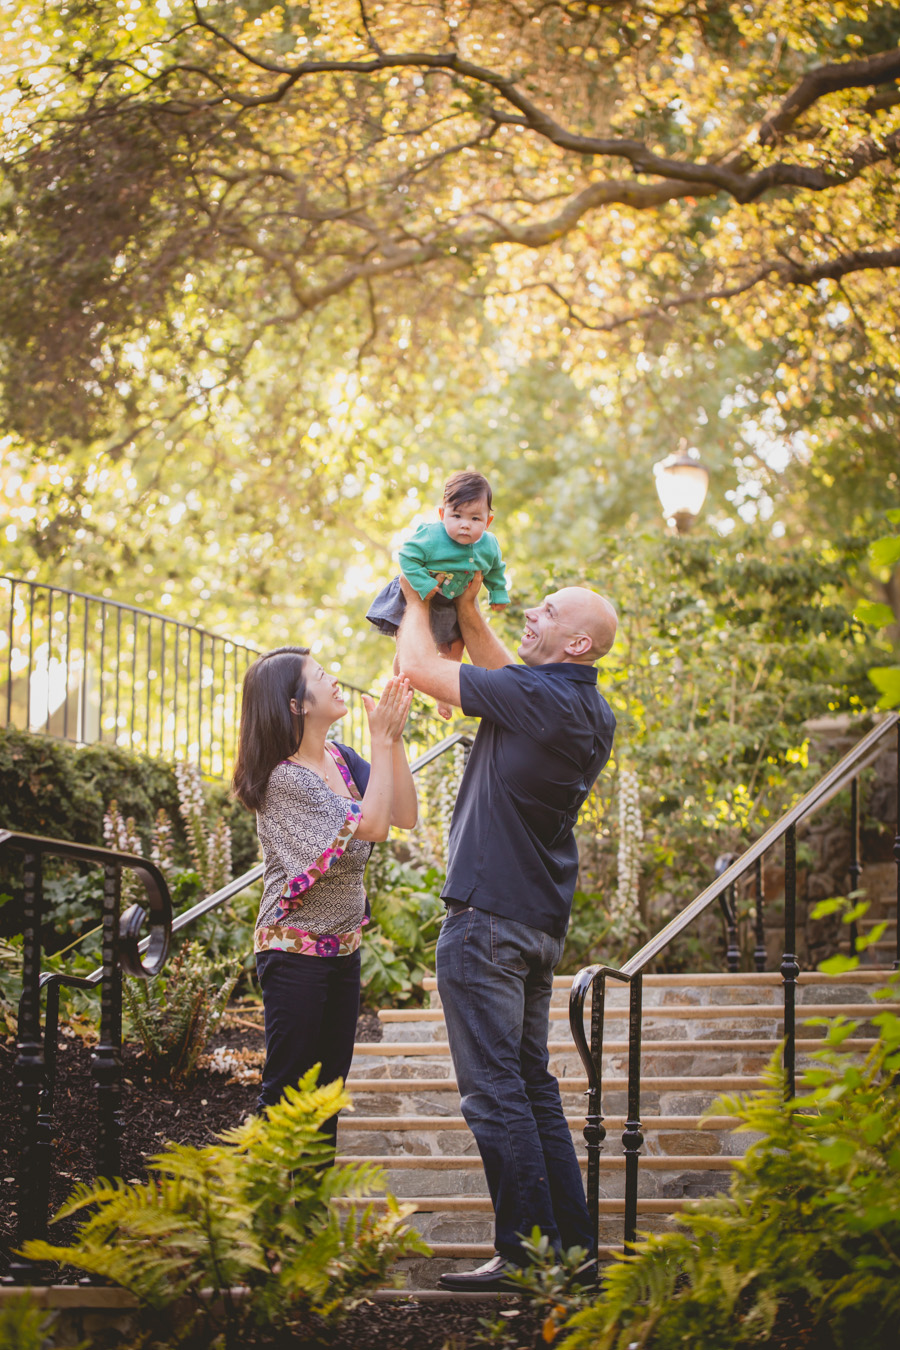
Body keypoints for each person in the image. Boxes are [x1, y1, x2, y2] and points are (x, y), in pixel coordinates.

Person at [395, 575, 617, 1289]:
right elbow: (501, 674)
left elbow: (420, 670)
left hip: (486, 920)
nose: (533, 612)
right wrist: (466, 610)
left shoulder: (536, 697)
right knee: (530, 1085)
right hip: (534, 923)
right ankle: (570, 1252)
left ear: (577, 642)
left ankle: (524, 1252)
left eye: (548, 611)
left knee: (494, 1091)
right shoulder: (585, 709)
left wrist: (409, 599)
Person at [232, 647, 416, 1143]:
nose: (334, 679)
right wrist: (380, 741)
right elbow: (373, 826)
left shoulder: (340, 758)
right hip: (293, 954)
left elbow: (403, 814)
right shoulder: (285, 778)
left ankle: (309, 1218)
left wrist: (392, 740)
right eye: (320, 675)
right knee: (288, 1090)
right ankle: (261, 1213)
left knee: (327, 1095)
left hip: (343, 949)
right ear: (297, 705)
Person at [366, 470, 510, 719]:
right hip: (418, 592)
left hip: (450, 602)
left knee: (455, 648)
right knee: (409, 646)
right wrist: (422, 584)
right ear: (443, 515)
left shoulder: (489, 545)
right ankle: (402, 682)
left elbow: (496, 570)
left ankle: (443, 696)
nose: (465, 524)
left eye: (475, 518)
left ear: (488, 522)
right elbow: (407, 557)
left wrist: (497, 593)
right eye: (457, 516)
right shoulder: (432, 536)